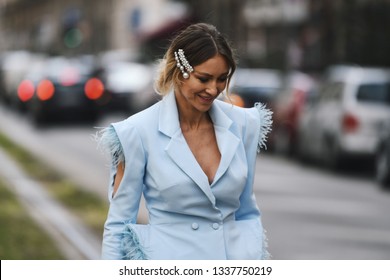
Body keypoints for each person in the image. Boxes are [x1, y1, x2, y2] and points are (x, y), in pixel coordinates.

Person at [97, 22, 272, 260]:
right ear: (180, 72)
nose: (213, 89)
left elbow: (247, 212)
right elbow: (118, 224)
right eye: (204, 79)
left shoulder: (245, 125)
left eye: (222, 79)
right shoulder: (136, 133)